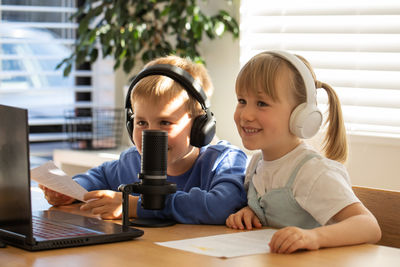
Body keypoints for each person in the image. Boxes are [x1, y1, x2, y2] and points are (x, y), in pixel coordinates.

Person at [39, 55, 248, 224]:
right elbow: (98, 177)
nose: (151, 135)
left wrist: (135, 206)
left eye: (165, 123)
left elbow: (222, 206)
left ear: (199, 126)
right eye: (141, 123)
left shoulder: (224, 161)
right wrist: (71, 191)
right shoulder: (132, 160)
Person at [225, 50, 381, 253]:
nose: (245, 115)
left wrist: (314, 237)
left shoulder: (312, 172)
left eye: (262, 103)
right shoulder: (256, 164)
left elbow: (369, 226)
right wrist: (251, 212)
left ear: (301, 114)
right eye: (242, 101)